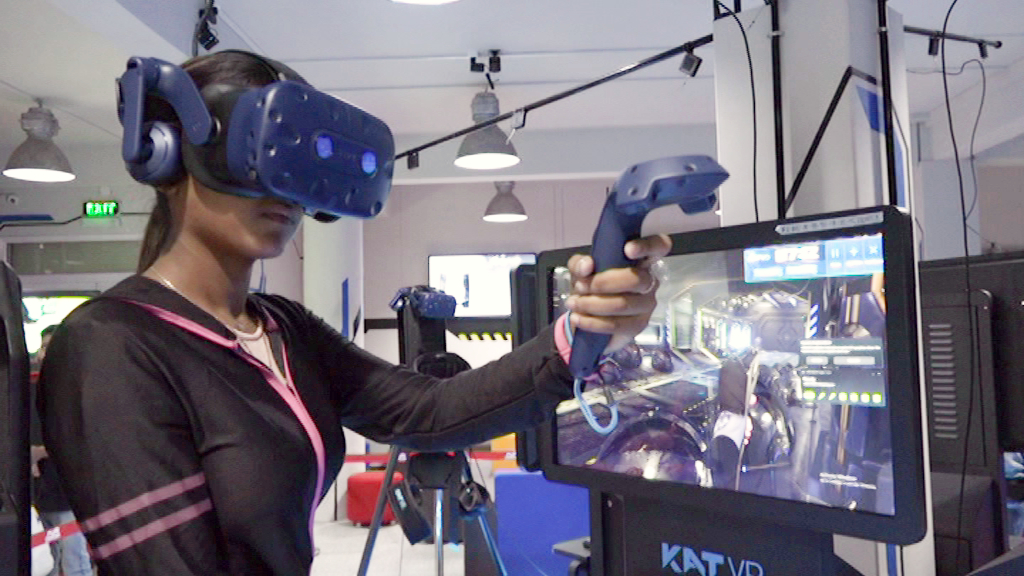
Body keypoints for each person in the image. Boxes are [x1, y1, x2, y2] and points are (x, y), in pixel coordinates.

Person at [37, 50, 670, 575]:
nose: (283, 188)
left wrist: (585, 329)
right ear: (170, 149)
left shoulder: (280, 327)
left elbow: (430, 411)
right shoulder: (109, 347)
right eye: (257, 151)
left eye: (296, 164)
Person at [30, 326, 93, 576]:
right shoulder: (29, 391)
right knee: (47, 563)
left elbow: (84, 439)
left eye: (49, 347)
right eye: (42, 347)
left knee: (75, 562)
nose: (43, 354)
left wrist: (40, 452)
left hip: (70, 493)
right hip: (39, 494)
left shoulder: (80, 390)